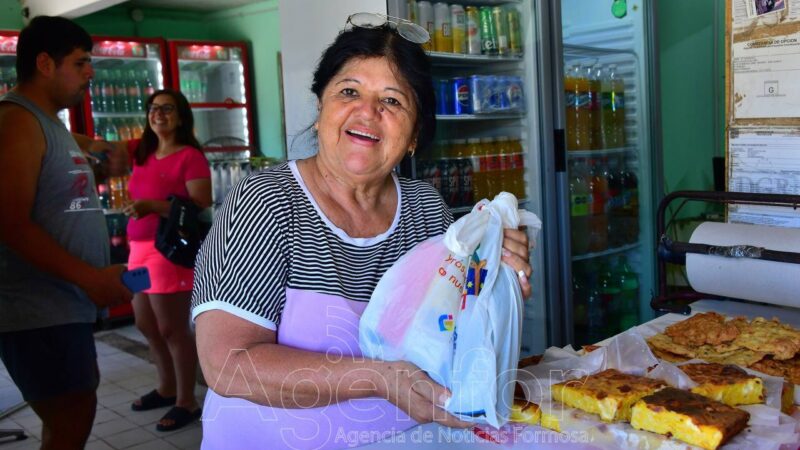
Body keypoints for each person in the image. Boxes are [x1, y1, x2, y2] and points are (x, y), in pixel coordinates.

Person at [191, 16, 533, 450]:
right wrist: (379, 379)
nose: (368, 112)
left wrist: (495, 280)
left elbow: (455, 336)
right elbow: (227, 365)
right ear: (321, 108)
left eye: (392, 101)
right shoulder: (267, 202)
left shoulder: (427, 211)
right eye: (349, 91)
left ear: (413, 136)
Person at [0, 16, 132, 450]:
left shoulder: (46, 122)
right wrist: (91, 279)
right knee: (71, 416)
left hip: (63, 309)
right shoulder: (17, 122)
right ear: (44, 63)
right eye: (81, 63)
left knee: (73, 415)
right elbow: (11, 223)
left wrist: (97, 149)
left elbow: (66, 146)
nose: (91, 72)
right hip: (40, 311)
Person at [102, 89, 211, 431]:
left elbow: (200, 203)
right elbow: (102, 150)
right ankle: (165, 388)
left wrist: (152, 206)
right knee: (145, 323)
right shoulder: (141, 151)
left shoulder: (189, 156)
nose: (158, 114)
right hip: (137, 250)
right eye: (153, 109)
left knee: (171, 327)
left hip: (168, 252)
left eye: (167, 109)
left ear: (181, 116)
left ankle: (186, 400)